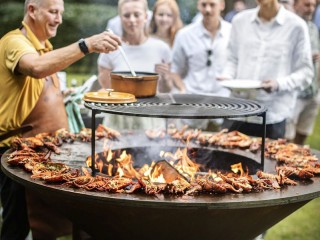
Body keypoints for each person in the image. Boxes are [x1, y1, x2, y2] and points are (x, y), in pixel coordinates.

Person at [0, 0, 121, 239]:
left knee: (61, 222)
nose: (59, 19)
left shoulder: (46, 47)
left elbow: (35, 90)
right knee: (16, 227)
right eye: (53, 12)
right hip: (15, 154)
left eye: (61, 13)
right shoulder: (14, 42)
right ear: (32, 10)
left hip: (47, 153)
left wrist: (60, 96)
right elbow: (36, 68)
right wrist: (86, 45)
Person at [220, 0, 313, 140]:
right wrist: (227, 76)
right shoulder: (240, 21)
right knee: (223, 160)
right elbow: (232, 59)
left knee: (268, 161)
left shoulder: (296, 26)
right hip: (237, 111)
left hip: (271, 116)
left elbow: (306, 73)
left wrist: (278, 84)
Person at [97, 0, 173, 130]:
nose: (132, 20)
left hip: (150, 119)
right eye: (126, 15)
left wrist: (165, 77)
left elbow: (167, 90)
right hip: (118, 119)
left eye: (137, 15)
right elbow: (105, 88)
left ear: (146, 16)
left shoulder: (161, 48)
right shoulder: (111, 49)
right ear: (120, 18)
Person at [170, 0, 231, 130]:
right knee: (189, 148)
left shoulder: (232, 32)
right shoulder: (185, 35)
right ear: (198, 5)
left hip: (223, 104)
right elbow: (174, 69)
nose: (207, 9)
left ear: (222, 5)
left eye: (212, 5)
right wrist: (182, 89)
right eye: (204, 5)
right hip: (192, 103)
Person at [285, 0, 320, 145]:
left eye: (313, 5)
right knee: (287, 138)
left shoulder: (313, 27)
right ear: (295, 5)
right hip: (295, 93)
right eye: (307, 5)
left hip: (312, 91)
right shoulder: (289, 27)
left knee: (303, 133)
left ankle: (299, 165)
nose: (311, 9)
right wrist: (305, 57)